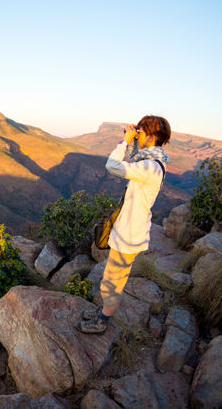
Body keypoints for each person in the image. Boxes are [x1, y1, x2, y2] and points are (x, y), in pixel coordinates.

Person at [76, 115, 171, 334]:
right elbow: (134, 159)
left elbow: (112, 165)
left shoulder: (151, 167)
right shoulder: (149, 161)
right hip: (127, 229)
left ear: (152, 135)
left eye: (142, 131)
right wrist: (135, 142)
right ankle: (104, 310)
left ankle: (102, 322)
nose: (138, 134)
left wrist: (125, 142)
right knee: (112, 276)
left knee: (113, 280)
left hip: (130, 234)